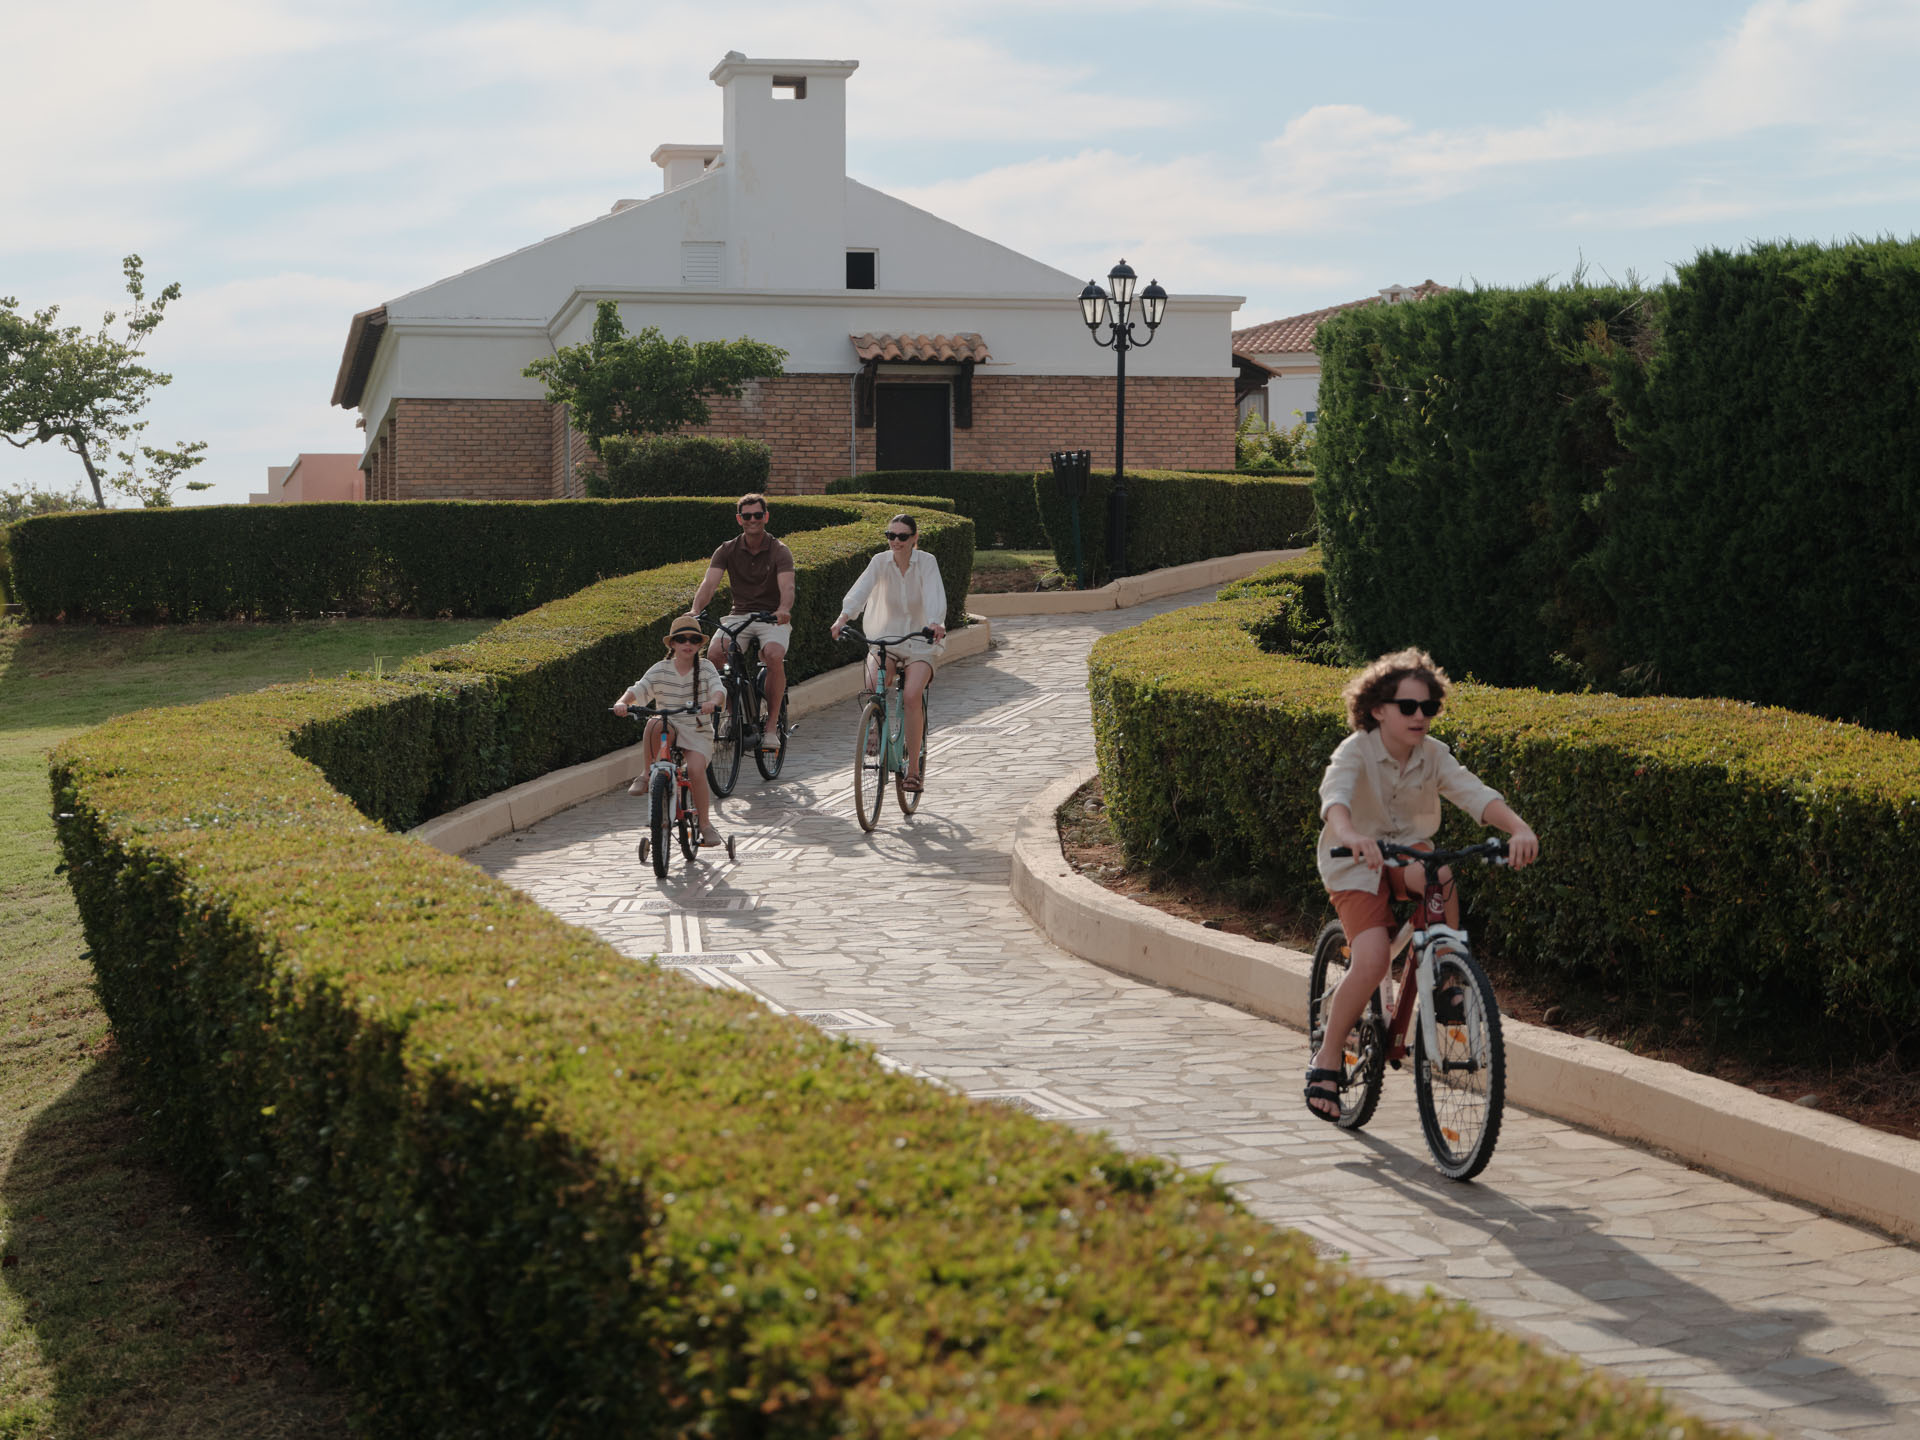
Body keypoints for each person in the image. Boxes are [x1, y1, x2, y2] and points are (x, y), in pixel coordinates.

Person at [1305, 647, 1539, 1122]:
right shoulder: (1356, 751)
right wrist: (1351, 836)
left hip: (1408, 853)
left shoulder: (1433, 755)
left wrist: (1518, 828)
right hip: (1356, 862)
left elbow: (1472, 791)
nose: (1420, 716)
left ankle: (1447, 971)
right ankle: (1326, 1058)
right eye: (1408, 707)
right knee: (1370, 961)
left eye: (1428, 707)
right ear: (1377, 710)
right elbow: (1336, 798)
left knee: (1442, 871)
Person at [829, 512, 946, 793]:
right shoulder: (879, 562)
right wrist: (843, 618)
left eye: (902, 536)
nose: (896, 541)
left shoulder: (927, 563)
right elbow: (860, 590)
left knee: (910, 695)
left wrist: (934, 622)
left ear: (914, 538)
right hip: (885, 641)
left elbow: (934, 594)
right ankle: (875, 725)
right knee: (872, 686)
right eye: (890, 536)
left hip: (920, 642)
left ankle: (914, 771)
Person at [690, 492, 794, 754]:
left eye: (758, 515)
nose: (752, 520)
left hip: (771, 616)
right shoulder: (727, 550)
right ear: (739, 519)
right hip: (739, 615)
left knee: (773, 654)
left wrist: (783, 609)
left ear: (766, 517)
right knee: (714, 654)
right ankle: (732, 715)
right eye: (746, 516)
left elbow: (788, 586)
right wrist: (694, 610)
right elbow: (709, 584)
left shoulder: (779, 550)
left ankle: (770, 728)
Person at [612, 615, 727, 848]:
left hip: (697, 729)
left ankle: (705, 824)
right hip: (670, 724)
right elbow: (638, 689)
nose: (688, 644)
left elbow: (718, 690)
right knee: (654, 722)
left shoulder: (704, 668)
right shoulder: (661, 669)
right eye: (682, 639)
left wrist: (712, 702)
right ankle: (646, 774)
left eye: (694, 640)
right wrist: (622, 702)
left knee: (695, 770)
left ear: (699, 645)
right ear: (672, 644)